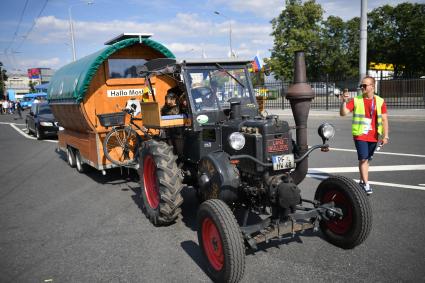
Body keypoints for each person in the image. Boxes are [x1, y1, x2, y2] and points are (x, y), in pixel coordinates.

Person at [340, 76, 389, 195]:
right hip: (360, 134)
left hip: (374, 135)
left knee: (367, 160)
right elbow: (343, 113)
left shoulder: (380, 101)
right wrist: (344, 101)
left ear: (372, 86)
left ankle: (362, 181)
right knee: (363, 158)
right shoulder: (356, 100)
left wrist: (385, 136)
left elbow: (384, 119)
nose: (362, 87)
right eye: (361, 85)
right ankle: (366, 184)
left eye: (365, 85)